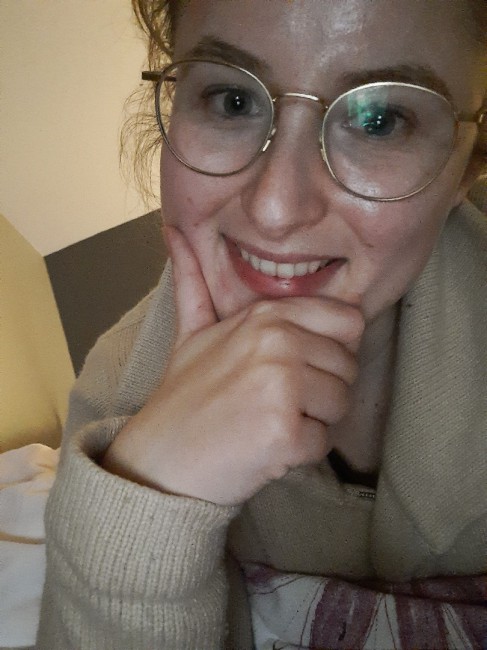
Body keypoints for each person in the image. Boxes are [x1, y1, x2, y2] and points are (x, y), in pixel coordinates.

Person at [36, 1, 487, 648]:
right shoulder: (114, 396)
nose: (275, 209)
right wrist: (144, 513)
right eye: (233, 101)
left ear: (467, 166)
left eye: (378, 119)